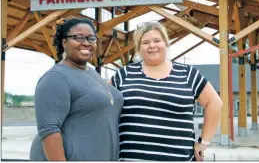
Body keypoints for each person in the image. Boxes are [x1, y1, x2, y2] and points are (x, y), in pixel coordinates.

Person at [111, 21, 223, 161]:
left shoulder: (187, 74)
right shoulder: (123, 75)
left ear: (165, 43)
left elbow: (214, 102)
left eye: (157, 40)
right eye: (145, 42)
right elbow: (101, 104)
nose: (152, 45)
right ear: (139, 48)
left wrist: (203, 142)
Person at [30, 18, 123, 161]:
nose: (86, 42)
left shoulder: (91, 73)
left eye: (91, 38)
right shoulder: (56, 77)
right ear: (64, 42)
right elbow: (49, 131)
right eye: (78, 37)